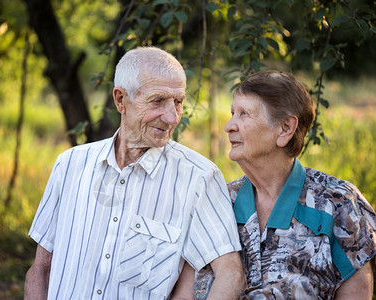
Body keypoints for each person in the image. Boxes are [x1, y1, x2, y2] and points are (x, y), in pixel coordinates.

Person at [24, 46, 246, 299]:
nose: (172, 118)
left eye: (178, 102)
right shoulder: (70, 165)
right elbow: (41, 269)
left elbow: (230, 274)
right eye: (158, 101)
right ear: (121, 100)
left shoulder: (198, 177)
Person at [190, 70, 376, 299]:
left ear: (285, 128)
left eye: (244, 114)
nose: (229, 126)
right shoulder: (217, 201)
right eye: (232, 113)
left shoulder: (337, 203)